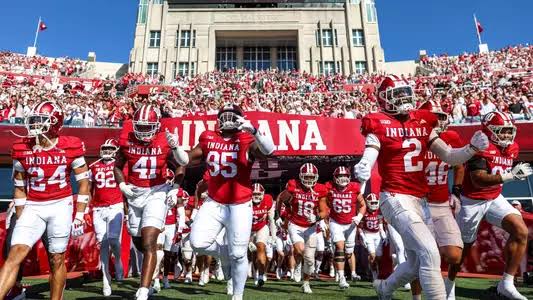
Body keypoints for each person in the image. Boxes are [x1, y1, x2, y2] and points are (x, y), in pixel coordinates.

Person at [353, 75, 489, 299]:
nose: (404, 98)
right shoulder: (378, 122)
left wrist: (471, 148)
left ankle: (384, 289)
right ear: (384, 99)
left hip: (420, 200)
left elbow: (450, 156)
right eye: (397, 94)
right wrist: (364, 165)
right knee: (429, 251)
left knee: (417, 261)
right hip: (395, 197)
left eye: (405, 92)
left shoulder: (422, 121)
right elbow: (370, 153)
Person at [0, 101, 90, 300]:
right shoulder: (21, 147)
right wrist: (21, 216)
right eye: (33, 121)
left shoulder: (71, 145)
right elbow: (20, 187)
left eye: (41, 121)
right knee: (15, 253)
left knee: (56, 258)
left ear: (55, 123)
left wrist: (80, 214)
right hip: (33, 204)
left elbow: (84, 183)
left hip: (60, 204)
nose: (35, 126)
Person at [187, 104, 275, 300]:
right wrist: (175, 148)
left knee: (238, 255)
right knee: (197, 243)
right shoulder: (208, 137)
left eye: (232, 116)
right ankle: (224, 253)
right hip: (214, 201)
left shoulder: (246, 138)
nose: (227, 119)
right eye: (224, 116)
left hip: (240, 204)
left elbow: (269, 151)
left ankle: (237, 295)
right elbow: (186, 159)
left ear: (240, 119)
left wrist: (254, 130)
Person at [447, 111, 532, 300]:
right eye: (502, 131)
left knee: (521, 231)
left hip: (494, 198)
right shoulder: (481, 146)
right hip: (472, 201)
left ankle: (506, 284)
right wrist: (511, 176)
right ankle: (449, 284)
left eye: (510, 131)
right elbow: (478, 180)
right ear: (489, 130)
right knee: (463, 249)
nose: (507, 136)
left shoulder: (513, 148)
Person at [113, 104, 189, 300]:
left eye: (148, 126)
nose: (144, 131)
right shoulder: (126, 140)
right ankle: (152, 267)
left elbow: (183, 163)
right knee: (139, 241)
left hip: (157, 192)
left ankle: (143, 290)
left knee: (148, 241)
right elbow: (117, 166)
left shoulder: (165, 139)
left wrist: (174, 188)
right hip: (135, 193)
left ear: (157, 125)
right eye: (141, 126)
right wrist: (122, 185)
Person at [407, 100, 466, 299]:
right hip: (419, 204)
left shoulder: (451, 137)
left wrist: (456, 191)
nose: (439, 120)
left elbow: (459, 165)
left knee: (454, 254)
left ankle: (448, 287)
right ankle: (417, 297)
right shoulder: (414, 138)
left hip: (441, 204)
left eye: (441, 116)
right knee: (421, 256)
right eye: (435, 116)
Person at [276, 163, 328, 294]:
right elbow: (280, 199)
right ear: (300, 176)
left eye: (312, 177)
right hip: (295, 224)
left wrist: (317, 218)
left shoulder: (320, 190)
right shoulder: (293, 186)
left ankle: (306, 283)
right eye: (306, 177)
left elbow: (324, 211)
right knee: (300, 250)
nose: (309, 180)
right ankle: (298, 265)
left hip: (311, 227)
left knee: (310, 259)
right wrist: (278, 216)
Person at [319, 166, 366, 289]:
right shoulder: (329, 188)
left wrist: (359, 216)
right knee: (340, 247)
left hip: (350, 223)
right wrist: (323, 218)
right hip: (336, 222)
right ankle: (341, 277)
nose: (343, 178)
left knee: (349, 252)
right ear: (335, 178)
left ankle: (353, 272)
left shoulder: (354, 188)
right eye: (340, 176)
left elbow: (362, 205)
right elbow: (322, 202)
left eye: (345, 175)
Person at [89, 138, 124, 296]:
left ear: (116, 150)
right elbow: (89, 189)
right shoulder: (93, 167)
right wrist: (89, 207)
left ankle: (117, 259)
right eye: (105, 148)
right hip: (98, 208)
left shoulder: (120, 166)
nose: (107, 151)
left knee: (114, 240)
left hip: (115, 206)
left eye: (111, 148)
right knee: (102, 243)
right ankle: (105, 278)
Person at [250, 183, 276, 287]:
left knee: (261, 247)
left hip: (261, 227)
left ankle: (261, 275)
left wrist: (273, 236)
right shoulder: (245, 202)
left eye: (258, 194)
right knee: (251, 254)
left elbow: (271, 219)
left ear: (263, 194)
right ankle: (255, 273)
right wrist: (247, 241)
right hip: (248, 229)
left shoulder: (268, 200)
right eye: (254, 194)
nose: (256, 196)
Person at [359, 193, 386, 281]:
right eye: (372, 203)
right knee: (372, 255)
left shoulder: (379, 212)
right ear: (367, 202)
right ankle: (374, 276)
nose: (374, 204)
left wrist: (383, 235)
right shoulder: (364, 212)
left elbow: (381, 225)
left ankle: (376, 272)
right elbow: (359, 226)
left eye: (375, 202)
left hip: (377, 235)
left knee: (379, 257)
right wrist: (362, 236)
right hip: (368, 234)